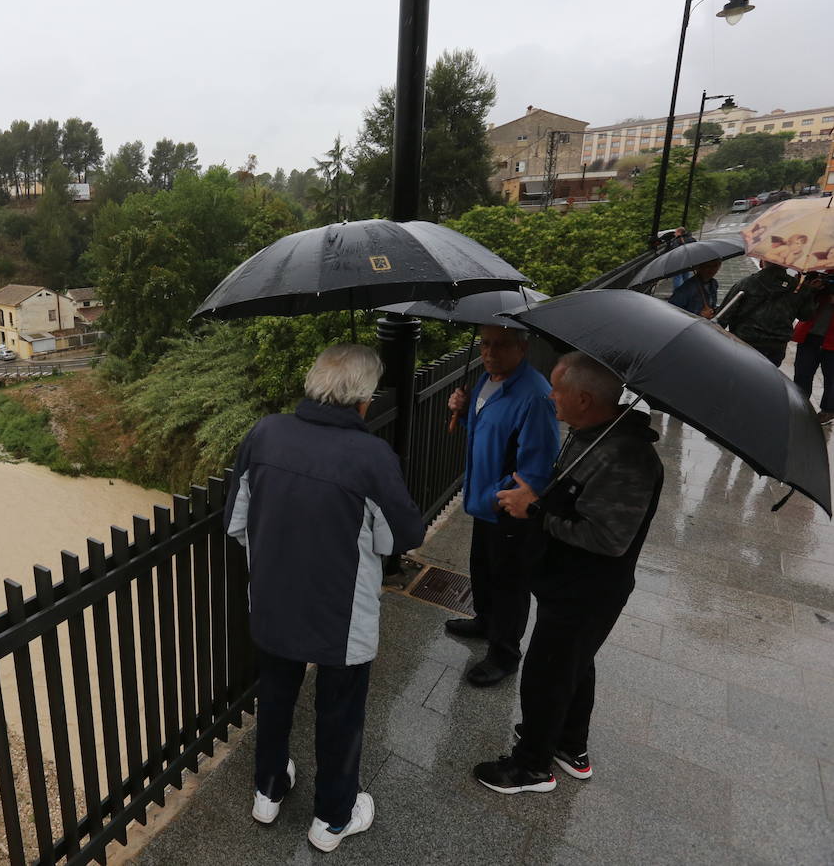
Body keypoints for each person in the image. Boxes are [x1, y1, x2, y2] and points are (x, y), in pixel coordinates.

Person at [225, 344, 423, 852]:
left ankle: (267, 790)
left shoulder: (264, 432)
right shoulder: (371, 456)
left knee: (275, 696)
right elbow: (402, 536)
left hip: (272, 598)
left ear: (315, 383)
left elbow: (237, 522)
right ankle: (332, 817)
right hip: (341, 612)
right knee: (340, 711)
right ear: (365, 399)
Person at [473, 352, 663, 794]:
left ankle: (531, 767)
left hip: (588, 589)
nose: (550, 396)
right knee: (573, 663)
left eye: (557, 390)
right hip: (567, 581)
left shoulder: (627, 458)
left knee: (547, 672)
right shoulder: (593, 433)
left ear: (583, 398)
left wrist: (533, 510)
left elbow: (608, 539)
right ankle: (568, 743)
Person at [445, 326, 559, 687]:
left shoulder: (534, 395)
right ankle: (485, 621)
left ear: (522, 349)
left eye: (501, 345)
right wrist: (462, 412)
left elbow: (537, 466)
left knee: (509, 579)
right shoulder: (486, 380)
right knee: (482, 566)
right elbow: (487, 430)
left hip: (507, 506)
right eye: (485, 344)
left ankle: (504, 653)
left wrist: (500, 496)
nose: (490, 352)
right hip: (483, 500)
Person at [717, 259, 817, 366]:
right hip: (776, 347)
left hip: (744, 342)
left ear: (761, 262)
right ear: (787, 265)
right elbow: (805, 316)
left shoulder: (747, 283)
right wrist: (809, 290)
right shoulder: (799, 289)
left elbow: (723, 317)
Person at [791, 275, 834, 424]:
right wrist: (810, 289)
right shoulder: (819, 274)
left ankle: (828, 410)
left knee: (832, 378)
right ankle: (800, 405)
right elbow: (797, 304)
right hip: (809, 335)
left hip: (832, 341)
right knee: (802, 373)